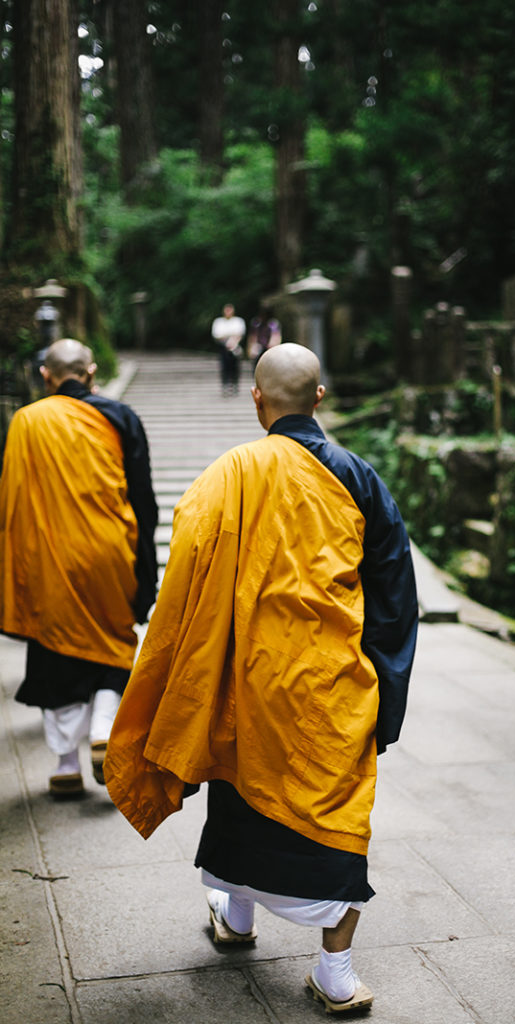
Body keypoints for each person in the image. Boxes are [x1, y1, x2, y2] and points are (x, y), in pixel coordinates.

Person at [105, 343, 418, 1013]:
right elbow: (394, 600)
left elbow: (185, 576)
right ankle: (334, 971)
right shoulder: (360, 478)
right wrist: (384, 701)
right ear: (320, 396)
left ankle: (235, 917)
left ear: (257, 400)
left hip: (245, 681)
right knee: (335, 818)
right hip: (330, 690)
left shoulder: (228, 474)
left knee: (242, 795)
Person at [0, 338, 158, 799]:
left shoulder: (26, 421)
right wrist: (144, 574)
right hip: (111, 552)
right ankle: (103, 728)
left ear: (46, 377)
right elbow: (143, 501)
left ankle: (66, 764)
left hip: (49, 554)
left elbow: (12, 502)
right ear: (89, 373)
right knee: (114, 641)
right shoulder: (121, 417)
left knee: (54, 650)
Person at [211, 303, 246, 394]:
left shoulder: (238, 321)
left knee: (235, 366)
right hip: (223, 347)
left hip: (235, 346)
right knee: (224, 366)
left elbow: (240, 334)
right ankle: (225, 384)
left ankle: (234, 384)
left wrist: (233, 342)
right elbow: (217, 335)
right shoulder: (218, 322)